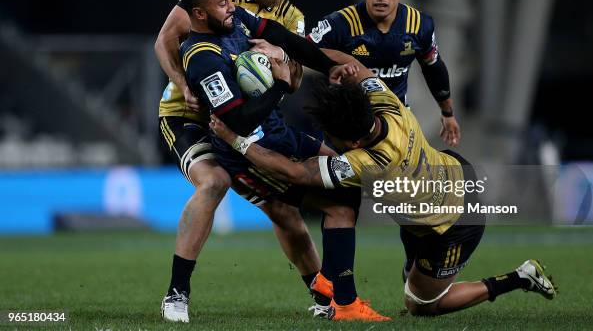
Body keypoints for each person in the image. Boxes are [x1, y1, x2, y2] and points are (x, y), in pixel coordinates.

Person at [210, 54, 557, 318]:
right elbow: (357, 68)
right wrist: (316, 60)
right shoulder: (388, 106)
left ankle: (520, 277)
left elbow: (296, 173)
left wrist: (237, 140)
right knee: (411, 270)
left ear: (355, 141)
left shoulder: (370, 161)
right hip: (450, 175)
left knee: (421, 303)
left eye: (335, 138)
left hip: (455, 225)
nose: (331, 141)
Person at [179, 0, 390, 322]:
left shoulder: (232, 21)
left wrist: (328, 67)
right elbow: (239, 123)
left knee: (349, 182)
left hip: (279, 132)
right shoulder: (203, 59)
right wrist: (278, 86)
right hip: (250, 151)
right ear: (200, 14)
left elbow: (279, 35)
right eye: (222, 4)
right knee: (331, 203)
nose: (232, 7)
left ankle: (329, 286)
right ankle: (343, 301)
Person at [156, 0, 317, 323]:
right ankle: (176, 295)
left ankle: (324, 295)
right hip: (188, 116)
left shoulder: (292, 18)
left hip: (243, 123)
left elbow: (293, 82)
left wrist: (280, 61)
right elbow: (165, 40)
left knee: (284, 210)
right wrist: (182, 84)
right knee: (214, 182)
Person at [308, 0, 461, 147]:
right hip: (347, 128)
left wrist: (447, 113)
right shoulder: (341, 23)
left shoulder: (419, 25)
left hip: (395, 123)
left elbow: (433, 68)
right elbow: (303, 51)